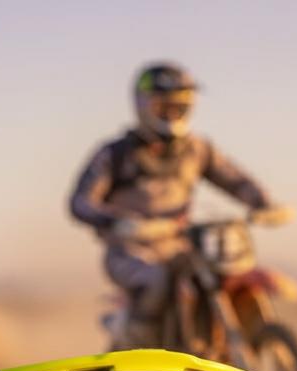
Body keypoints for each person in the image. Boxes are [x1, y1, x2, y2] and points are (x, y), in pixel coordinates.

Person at [69, 62, 273, 348]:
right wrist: (118, 222)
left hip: (183, 244)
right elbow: (80, 202)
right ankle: (143, 354)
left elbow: (235, 179)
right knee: (155, 280)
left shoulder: (197, 149)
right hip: (131, 250)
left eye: (179, 106)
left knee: (226, 270)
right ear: (143, 105)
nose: (172, 113)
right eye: (164, 106)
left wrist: (263, 203)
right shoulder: (116, 154)